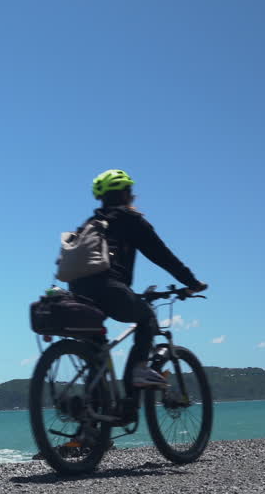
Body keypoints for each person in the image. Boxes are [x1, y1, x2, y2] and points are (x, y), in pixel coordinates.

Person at [69, 169, 208, 404]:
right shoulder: (130, 220)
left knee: (96, 354)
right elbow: (162, 255)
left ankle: (93, 432)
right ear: (126, 194)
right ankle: (139, 370)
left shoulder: (90, 224)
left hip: (77, 294)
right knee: (146, 318)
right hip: (109, 288)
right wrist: (191, 282)